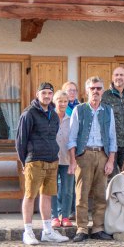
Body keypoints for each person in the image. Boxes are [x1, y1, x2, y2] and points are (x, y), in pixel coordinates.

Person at [15, 82, 70, 245]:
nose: (47, 96)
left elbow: (53, 137)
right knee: (30, 195)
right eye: (44, 93)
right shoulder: (29, 113)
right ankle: (28, 231)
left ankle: (47, 231)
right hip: (34, 160)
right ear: (37, 94)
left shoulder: (53, 114)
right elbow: (20, 141)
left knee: (47, 195)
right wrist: (24, 162)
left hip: (52, 160)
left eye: (49, 93)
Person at [67, 76, 117, 242]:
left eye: (98, 88)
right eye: (92, 88)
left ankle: (97, 228)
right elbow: (72, 138)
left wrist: (110, 160)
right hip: (84, 155)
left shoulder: (108, 111)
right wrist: (73, 160)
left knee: (100, 194)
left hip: (102, 154)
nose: (95, 91)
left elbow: (112, 138)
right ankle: (81, 228)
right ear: (87, 90)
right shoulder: (79, 110)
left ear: (102, 91)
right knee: (81, 194)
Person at [50, 89, 75, 229]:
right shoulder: (49, 118)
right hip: (52, 160)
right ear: (55, 102)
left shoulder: (71, 120)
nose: (63, 104)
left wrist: (73, 161)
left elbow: (73, 141)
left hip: (67, 159)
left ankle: (65, 216)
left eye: (65, 101)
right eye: (60, 101)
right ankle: (54, 216)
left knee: (67, 190)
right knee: (52, 189)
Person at [102, 67, 124, 171]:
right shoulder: (105, 96)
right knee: (110, 175)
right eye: (116, 75)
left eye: (121, 75)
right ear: (112, 77)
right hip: (109, 144)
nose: (119, 77)